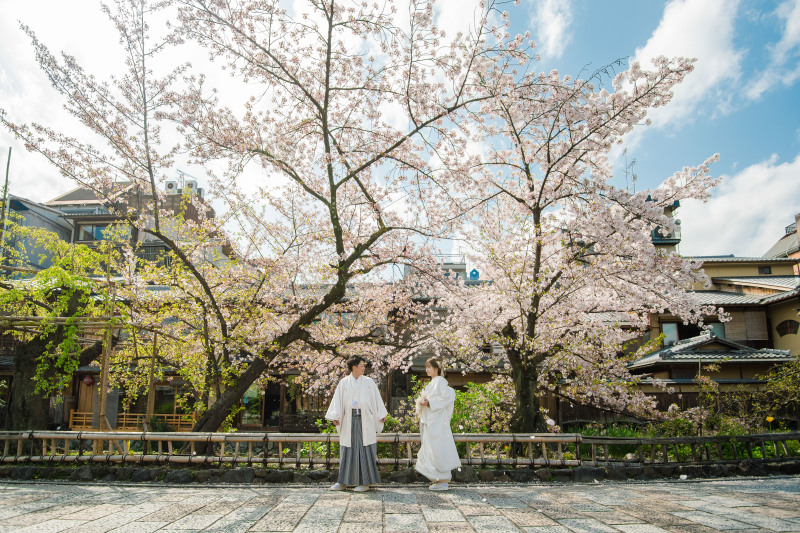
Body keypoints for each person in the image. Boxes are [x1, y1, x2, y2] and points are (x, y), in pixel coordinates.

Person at [325, 356, 388, 492]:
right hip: (349, 419)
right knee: (348, 449)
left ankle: (365, 482)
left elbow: (377, 400)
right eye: (361, 366)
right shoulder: (344, 383)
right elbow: (338, 401)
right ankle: (343, 482)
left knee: (364, 449)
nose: (364, 368)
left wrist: (380, 415)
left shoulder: (369, 382)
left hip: (365, 419)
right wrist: (335, 416)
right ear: (354, 368)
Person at [415, 357, 461, 491]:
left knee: (438, 449)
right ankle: (438, 478)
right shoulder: (433, 382)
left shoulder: (440, 381)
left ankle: (443, 479)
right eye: (426, 367)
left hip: (437, 422)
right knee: (432, 449)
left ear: (436, 368)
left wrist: (430, 402)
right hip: (432, 421)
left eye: (429, 367)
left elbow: (448, 396)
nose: (427, 369)